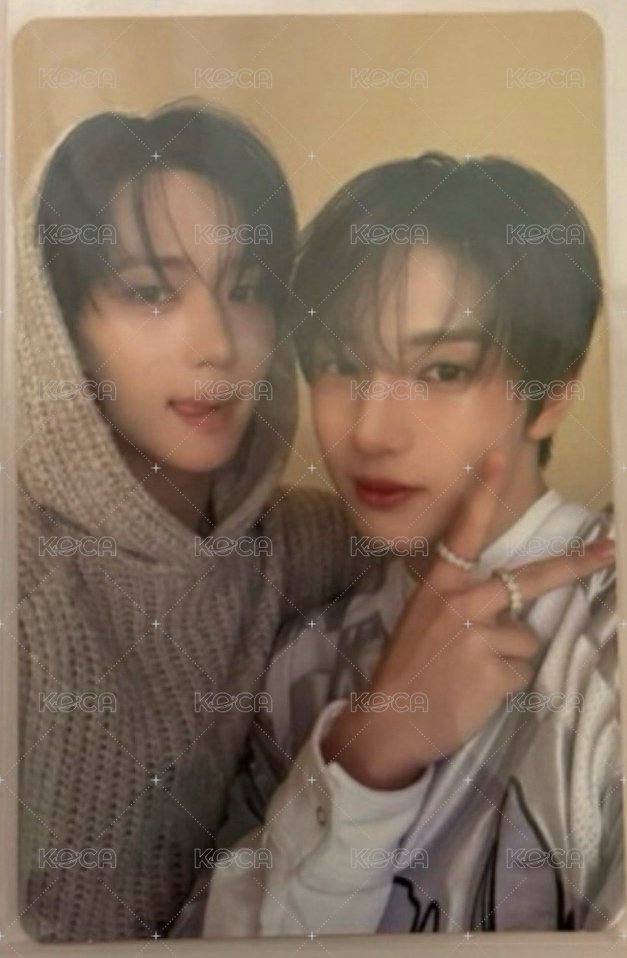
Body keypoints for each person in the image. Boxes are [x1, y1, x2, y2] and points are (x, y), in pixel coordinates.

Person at [195, 152, 621, 935]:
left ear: (552, 393)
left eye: (442, 371)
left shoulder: (606, 640)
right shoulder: (300, 665)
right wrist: (365, 760)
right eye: (339, 364)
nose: (369, 431)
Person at [15, 98, 371, 941]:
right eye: (149, 292)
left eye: (244, 290)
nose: (217, 343)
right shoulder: (22, 588)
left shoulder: (306, 542)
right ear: (58, 328)